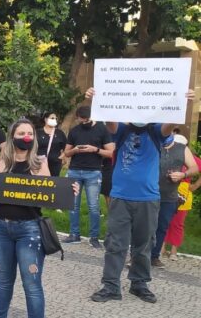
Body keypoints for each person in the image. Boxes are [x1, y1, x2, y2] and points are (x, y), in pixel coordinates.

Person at [89, 88, 195, 304]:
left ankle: (139, 284)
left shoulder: (156, 131)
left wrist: (180, 102)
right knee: (115, 243)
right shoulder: (123, 130)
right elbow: (110, 123)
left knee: (144, 243)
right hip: (120, 196)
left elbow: (168, 125)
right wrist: (99, 100)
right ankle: (111, 286)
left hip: (148, 198)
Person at [0, 118, 78, 318]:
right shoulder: (3, 162)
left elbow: (50, 194)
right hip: (1, 229)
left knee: (31, 283)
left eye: (29, 133)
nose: (26, 137)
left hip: (29, 230)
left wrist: (67, 190)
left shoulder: (39, 163)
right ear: (12, 136)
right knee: (4, 279)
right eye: (21, 134)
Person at [62, 105, 114, 247]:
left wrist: (95, 149)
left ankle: (94, 237)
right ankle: (74, 234)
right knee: (73, 205)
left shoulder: (102, 129)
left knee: (93, 206)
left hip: (93, 172)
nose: (84, 123)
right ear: (78, 118)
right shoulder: (74, 131)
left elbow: (111, 152)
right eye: (82, 120)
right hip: (74, 171)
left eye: (87, 120)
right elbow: (66, 153)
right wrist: (75, 150)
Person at [150, 133, 198, 268]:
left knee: (162, 227)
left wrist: (183, 174)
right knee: (143, 226)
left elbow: (194, 168)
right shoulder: (152, 143)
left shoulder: (182, 148)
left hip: (169, 196)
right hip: (147, 194)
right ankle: (136, 257)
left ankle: (154, 256)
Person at [162, 134, 201, 261]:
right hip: (167, 189)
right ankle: (161, 248)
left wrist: (195, 185)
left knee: (178, 223)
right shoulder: (166, 153)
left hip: (183, 192)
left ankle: (173, 251)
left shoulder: (191, 158)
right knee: (163, 220)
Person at [36, 112, 67, 177]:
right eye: (52, 118)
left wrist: (62, 156)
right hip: (40, 163)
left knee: (53, 181)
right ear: (45, 119)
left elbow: (66, 146)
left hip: (55, 164)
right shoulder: (38, 132)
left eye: (55, 118)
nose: (54, 120)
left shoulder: (59, 133)